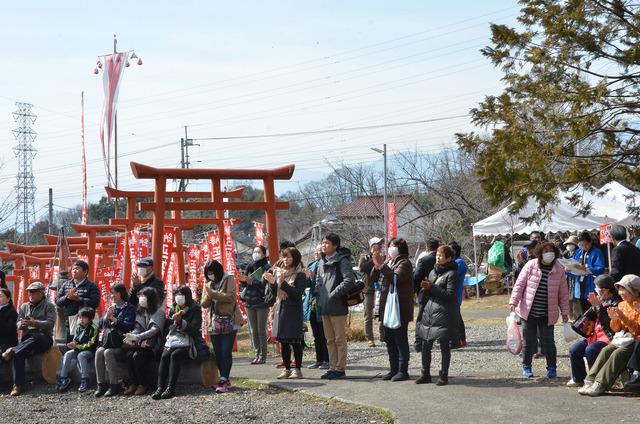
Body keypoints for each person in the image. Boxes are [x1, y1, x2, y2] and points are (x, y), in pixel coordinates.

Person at [509, 242, 569, 379]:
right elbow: (519, 284)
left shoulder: (559, 269)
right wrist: (513, 300)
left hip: (548, 313)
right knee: (528, 341)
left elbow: (563, 294)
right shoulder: (531, 265)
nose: (549, 253)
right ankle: (527, 367)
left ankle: (552, 368)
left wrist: (565, 312)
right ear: (540, 252)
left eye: (551, 250)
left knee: (548, 342)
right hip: (528, 312)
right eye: (546, 250)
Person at [579, 274, 640, 396]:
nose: (621, 292)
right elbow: (616, 329)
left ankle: (601, 383)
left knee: (618, 353)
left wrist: (622, 317)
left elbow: (637, 330)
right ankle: (590, 380)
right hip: (622, 339)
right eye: (620, 289)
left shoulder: (638, 305)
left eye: (625, 289)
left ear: (634, 291)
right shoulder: (621, 305)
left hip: (634, 341)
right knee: (606, 350)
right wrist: (615, 320)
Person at [415, 245, 460, 386]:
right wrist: (425, 288)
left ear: (449, 258)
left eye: (441, 255)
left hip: (444, 313)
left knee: (444, 345)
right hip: (429, 312)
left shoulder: (452, 274)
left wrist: (432, 287)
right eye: (437, 255)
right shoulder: (433, 272)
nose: (438, 257)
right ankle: (425, 373)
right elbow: (429, 292)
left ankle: (444, 375)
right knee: (425, 343)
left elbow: (450, 296)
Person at [1, 282, 56, 396]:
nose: (30, 294)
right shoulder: (24, 306)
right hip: (27, 340)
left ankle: (13, 349)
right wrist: (22, 324)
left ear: (41, 293)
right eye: (29, 292)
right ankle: (17, 385)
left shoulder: (49, 306)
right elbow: (17, 323)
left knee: (36, 337)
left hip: (43, 338)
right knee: (18, 354)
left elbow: (50, 324)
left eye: (33, 292)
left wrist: (34, 323)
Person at [153, 285, 207, 400]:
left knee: (175, 355)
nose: (178, 297)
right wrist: (172, 323)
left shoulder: (195, 309)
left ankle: (171, 388)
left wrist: (181, 322)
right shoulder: (173, 308)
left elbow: (194, 329)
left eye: (181, 295)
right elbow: (167, 328)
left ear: (187, 296)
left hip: (189, 341)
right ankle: (160, 387)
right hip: (174, 339)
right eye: (176, 295)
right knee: (165, 355)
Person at [567, 274, 620, 387]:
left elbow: (610, 325)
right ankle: (578, 378)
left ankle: (596, 380)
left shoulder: (617, 302)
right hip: (595, 336)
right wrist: (592, 306)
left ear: (605, 290)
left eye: (597, 288)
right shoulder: (601, 299)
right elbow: (588, 317)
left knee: (591, 350)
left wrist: (599, 307)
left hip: (608, 337)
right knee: (574, 349)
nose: (596, 291)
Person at [315, 233, 355, 380]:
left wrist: (333, 294)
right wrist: (318, 296)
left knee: (339, 339)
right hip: (324, 306)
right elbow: (318, 282)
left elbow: (349, 280)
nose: (323, 245)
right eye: (323, 242)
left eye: (327, 243)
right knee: (329, 339)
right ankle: (332, 367)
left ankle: (340, 368)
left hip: (338, 305)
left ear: (335, 246)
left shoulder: (342, 260)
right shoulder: (321, 261)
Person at [372, 238, 414, 381]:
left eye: (393, 246)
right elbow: (374, 278)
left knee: (400, 339)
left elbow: (396, 278)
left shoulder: (405, 263)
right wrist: (376, 263)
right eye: (389, 246)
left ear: (400, 249)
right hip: (386, 307)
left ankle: (403, 370)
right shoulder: (389, 262)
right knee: (389, 339)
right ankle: (393, 369)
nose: (390, 248)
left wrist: (381, 265)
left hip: (399, 308)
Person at [202, 259, 243, 393]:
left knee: (226, 351)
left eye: (212, 273)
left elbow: (231, 297)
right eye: (208, 274)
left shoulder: (228, 278)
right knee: (218, 352)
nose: (210, 276)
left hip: (229, 320)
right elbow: (204, 303)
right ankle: (224, 378)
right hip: (213, 321)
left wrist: (212, 293)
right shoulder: (207, 284)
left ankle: (224, 379)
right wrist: (208, 294)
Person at [265, 247, 306, 379]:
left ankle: (297, 369)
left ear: (295, 258)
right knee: (283, 342)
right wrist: (272, 282)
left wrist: (282, 283)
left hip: (294, 311)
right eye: (283, 257)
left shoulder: (300, 274)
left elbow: (297, 294)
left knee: (295, 341)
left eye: (288, 257)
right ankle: (287, 369)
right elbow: (273, 294)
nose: (285, 259)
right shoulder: (279, 273)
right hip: (280, 309)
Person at [94, 283, 136, 397]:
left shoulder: (129, 308)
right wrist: (106, 316)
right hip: (109, 341)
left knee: (108, 352)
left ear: (121, 293)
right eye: (111, 293)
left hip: (121, 344)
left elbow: (129, 326)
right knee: (99, 352)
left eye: (114, 293)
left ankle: (114, 385)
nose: (111, 296)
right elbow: (100, 325)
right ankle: (101, 384)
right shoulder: (110, 307)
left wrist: (115, 319)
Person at [123, 286, 165, 396]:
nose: (141, 299)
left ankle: (143, 384)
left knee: (138, 356)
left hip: (153, 345)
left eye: (144, 296)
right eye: (140, 296)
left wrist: (137, 337)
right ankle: (134, 383)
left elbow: (155, 330)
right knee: (129, 354)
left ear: (150, 298)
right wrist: (131, 335)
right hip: (140, 344)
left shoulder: (159, 311)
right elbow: (138, 327)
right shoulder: (141, 311)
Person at [239, 245, 271, 364]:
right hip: (249, 301)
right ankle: (257, 353)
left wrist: (251, 282)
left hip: (262, 302)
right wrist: (244, 281)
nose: (256, 253)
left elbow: (265, 284)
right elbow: (244, 285)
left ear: (263, 253)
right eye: (254, 251)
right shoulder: (249, 266)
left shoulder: (267, 267)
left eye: (258, 251)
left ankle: (263, 355)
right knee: (253, 330)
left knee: (261, 329)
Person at [57, 307, 99, 393]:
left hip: (90, 351)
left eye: (84, 317)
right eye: (80, 317)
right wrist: (72, 344)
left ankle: (85, 379)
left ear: (90, 318)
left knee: (81, 355)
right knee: (68, 354)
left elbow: (91, 343)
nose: (81, 319)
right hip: (78, 349)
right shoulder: (78, 327)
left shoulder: (94, 328)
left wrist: (77, 347)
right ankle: (63, 378)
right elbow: (75, 339)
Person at [56, 260, 100, 339]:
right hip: (69, 322)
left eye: (77, 269)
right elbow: (58, 301)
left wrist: (79, 299)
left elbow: (95, 302)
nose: (74, 271)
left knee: (83, 345)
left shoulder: (92, 286)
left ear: (85, 271)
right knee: (70, 346)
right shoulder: (66, 284)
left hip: (86, 323)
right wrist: (67, 297)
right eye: (73, 269)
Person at [303, 244, 329, 369]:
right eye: (315, 251)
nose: (316, 253)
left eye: (318, 251)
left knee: (324, 334)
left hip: (322, 301)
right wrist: (307, 277)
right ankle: (319, 359)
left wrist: (313, 277)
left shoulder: (325, 264)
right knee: (316, 334)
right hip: (312, 302)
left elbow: (325, 282)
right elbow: (308, 284)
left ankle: (326, 359)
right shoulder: (312, 265)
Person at [567, 231, 605, 315]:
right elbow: (573, 266)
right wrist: (568, 270)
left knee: (594, 311)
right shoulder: (577, 252)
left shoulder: (597, 252)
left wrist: (586, 269)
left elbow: (600, 268)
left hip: (591, 284)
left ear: (590, 242)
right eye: (581, 245)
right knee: (583, 312)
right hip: (579, 285)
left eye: (586, 244)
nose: (584, 247)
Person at [413, 238, 439, 351]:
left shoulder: (423, 260)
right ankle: (435, 339)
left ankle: (419, 342)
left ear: (427, 248)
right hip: (438, 292)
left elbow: (416, 277)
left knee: (422, 317)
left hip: (425, 292)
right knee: (437, 317)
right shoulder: (442, 260)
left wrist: (416, 291)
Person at [359, 237, 383, 347]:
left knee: (382, 313)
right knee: (368, 314)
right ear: (372, 246)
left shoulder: (383, 257)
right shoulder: (364, 257)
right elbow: (362, 268)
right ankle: (370, 338)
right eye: (377, 244)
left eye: (380, 245)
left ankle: (383, 335)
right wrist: (373, 259)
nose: (380, 246)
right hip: (368, 289)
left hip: (381, 288)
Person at [449, 241, 468, 347]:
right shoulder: (454, 262)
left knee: (457, 317)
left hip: (456, 293)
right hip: (451, 293)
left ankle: (462, 339)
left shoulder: (459, 262)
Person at [0, 287, 18, 357]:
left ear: (8, 299)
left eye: (1, 296)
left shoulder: (12, 312)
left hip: (7, 343)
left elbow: (9, 329)